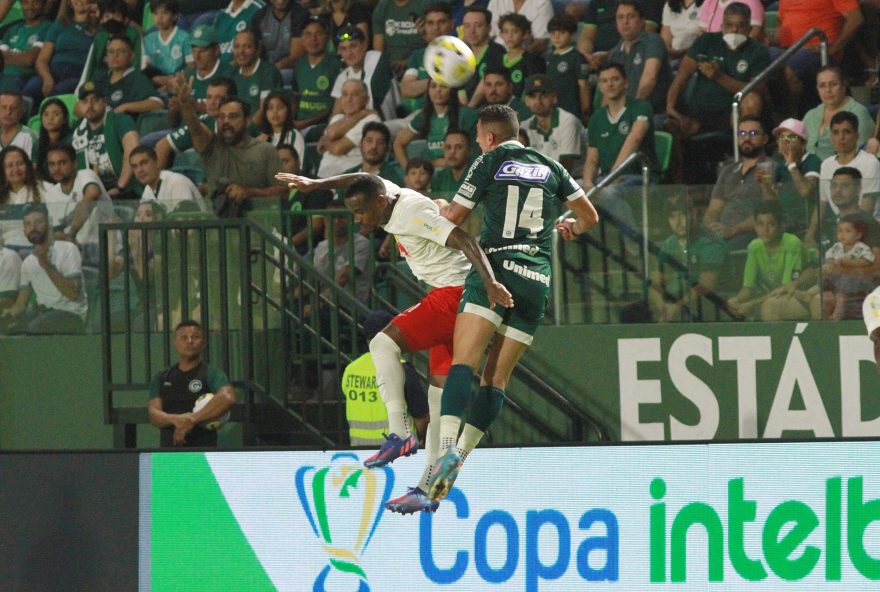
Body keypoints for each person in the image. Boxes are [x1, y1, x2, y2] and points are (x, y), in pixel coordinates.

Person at [274, 169, 513, 514]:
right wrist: (317, 184)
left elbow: (464, 239)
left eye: (361, 212)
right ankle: (428, 490)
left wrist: (490, 283)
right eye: (353, 213)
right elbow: (363, 174)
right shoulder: (387, 193)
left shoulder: (410, 213)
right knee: (436, 405)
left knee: (383, 343)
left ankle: (400, 433)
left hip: (457, 294)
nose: (357, 220)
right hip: (455, 295)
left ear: (381, 203)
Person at [426, 104, 598, 501]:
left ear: (487, 137)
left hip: (496, 269)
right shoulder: (550, 166)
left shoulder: (489, 162)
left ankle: (446, 449)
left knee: (463, 364)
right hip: (536, 279)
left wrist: (437, 209)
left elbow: (454, 216)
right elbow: (589, 216)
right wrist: (572, 227)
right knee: (496, 380)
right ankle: (462, 456)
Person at [177, 80, 286, 214]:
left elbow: (282, 191)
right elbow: (195, 128)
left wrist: (249, 192)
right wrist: (185, 104)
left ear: (247, 121)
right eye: (221, 117)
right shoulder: (211, 147)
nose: (226, 122)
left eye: (233, 116)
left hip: (257, 228)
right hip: (218, 231)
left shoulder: (265, 150)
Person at [664, 2, 768, 141]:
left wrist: (719, 77)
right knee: (667, 126)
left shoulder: (758, 51)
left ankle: (743, 153)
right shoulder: (706, 41)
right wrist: (670, 106)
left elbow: (757, 89)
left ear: (749, 28)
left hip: (730, 113)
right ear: (722, 25)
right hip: (698, 112)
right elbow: (682, 75)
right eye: (729, 25)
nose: (734, 30)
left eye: (740, 26)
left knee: (752, 100)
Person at [583, 63, 657, 234]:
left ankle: (633, 242)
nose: (609, 84)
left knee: (608, 193)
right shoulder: (596, 118)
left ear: (626, 82)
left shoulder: (641, 106)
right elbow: (592, 159)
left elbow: (635, 138)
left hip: (639, 176)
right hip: (606, 178)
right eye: (604, 81)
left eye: (615, 79)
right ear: (599, 86)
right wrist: (587, 184)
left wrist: (612, 176)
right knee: (571, 190)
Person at [340, 309, 429, 447]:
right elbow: (422, 419)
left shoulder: (351, 369)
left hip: (360, 452)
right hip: (398, 453)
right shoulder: (402, 369)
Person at [1, 203, 88, 333]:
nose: (33, 228)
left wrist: (46, 265)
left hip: (71, 315)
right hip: (42, 314)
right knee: (9, 329)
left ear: (48, 224)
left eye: (38, 222)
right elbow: (20, 304)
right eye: (28, 224)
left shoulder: (67, 249)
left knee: (34, 328)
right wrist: (6, 317)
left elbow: (73, 294)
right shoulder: (28, 263)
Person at [148, 319, 237, 447]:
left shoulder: (211, 374)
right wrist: (176, 419)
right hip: (167, 454)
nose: (189, 341)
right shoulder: (161, 377)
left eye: (195, 337)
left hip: (204, 454)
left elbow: (227, 397)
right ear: (175, 342)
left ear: (203, 343)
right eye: (184, 337)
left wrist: (192, 419)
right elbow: (153, 414)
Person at [774, 0, 863, 115]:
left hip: (817, 50)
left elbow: (856, 19)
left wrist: (833, 49)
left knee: (788, 70)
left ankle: (791, 122)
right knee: (759, 62)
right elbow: (780, 21)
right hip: (786, 50)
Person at [726, 201, 808, 321]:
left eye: (771, 224)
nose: (765, 229)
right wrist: (736, 300)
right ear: (754, 226)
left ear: (781, 225)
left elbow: (785, 288)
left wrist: (750, 304)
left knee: (770, 307)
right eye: (760, 224)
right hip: (772, 296)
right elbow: (748, 288)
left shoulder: (792, 243)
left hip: (800, 295)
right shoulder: (754, 247)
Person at [649, 197, 728, 322]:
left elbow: (705, 288)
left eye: (682, 215)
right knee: (630, 314)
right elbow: (655, 281)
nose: (678, 222)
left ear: (693, 213)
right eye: (672, 217)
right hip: (671, 304)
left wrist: (676, 308)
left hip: (701, 305)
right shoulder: (669, 244)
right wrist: (662, 306)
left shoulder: (711, 243)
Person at [703, 116, 774, 249]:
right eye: (742, 134)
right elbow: (714, 209)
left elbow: (769, 212)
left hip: (750, 234)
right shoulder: (728, 170)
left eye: (753, 133)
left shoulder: (768, 167)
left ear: (765, 139)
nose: (747, 138)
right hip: (721, 235)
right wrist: (710, 228)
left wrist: (733, 230)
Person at [811, 111, 880, 245]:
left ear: (857, 136)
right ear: (831, 137)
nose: (841, 137)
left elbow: (867, 209)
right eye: (836, 133)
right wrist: (810, 234)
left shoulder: (870, 162)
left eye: (846, 132)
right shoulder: (826, 165)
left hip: (869, 231)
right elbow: (822, 204)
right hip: (839, 230)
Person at [42, 141, 113, 266]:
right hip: (73, 251)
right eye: (52, 164)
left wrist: (71, 234)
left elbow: (92, 193)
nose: (56, 168)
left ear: (74, 163)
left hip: (104, 247)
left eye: (62, 163)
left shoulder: (85, 174)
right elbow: (54, 230)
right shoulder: (50, 194)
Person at [599, 0, 673, 115]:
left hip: (653, 113)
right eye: (620, 17)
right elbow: (608, 92)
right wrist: (603, 117)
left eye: (631, 16)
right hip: (623, 115)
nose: (625, 22)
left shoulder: (653, 41)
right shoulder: (614, 53)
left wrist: (632, 111)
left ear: (642, 21)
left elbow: (649, 78)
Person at [71, 81, 140, 198]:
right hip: (94, 196)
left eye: (95, 100)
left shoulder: (121, 120)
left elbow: (133, 152)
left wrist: (120, 187)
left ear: (104, 101)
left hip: (126, 192)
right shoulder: (78, 132)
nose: (89, 106)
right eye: (85, 101)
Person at [394, 78, 477, 169]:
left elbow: (477, 149)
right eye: (433, 86)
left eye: (443, 86)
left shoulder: (467, 115)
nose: (438, 90)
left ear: (452, 90)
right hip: (432, 172)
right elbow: (398, 143)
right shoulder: (424, 116)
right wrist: (408, 171)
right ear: (428, 91)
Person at [155, 76, 236, 169]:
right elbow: (162, 145)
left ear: (232, 100)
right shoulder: (204, 121)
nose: (212, 102)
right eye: (209, 97)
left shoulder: (243, 124)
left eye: (219, 98)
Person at [758, 118, 820, 236]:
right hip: (785, 228)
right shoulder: (781, 167)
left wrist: (792, 164)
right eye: (781, 138)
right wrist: (764, 186)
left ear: (803, 143)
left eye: (791, 137)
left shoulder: (813, 161)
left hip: (807, 229)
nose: (785, 142)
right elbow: (772, 203)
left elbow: (805, 191)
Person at [29, 0, 101, 99]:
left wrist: (98, 15)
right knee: (30, 89)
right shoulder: (59, 25)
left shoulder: (99, 27)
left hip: (79, 73)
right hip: (54, 71)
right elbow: (42, 60)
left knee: (59, 91)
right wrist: (47, 78)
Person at [804, 66, 874, 161]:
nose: (828, 90)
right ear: (817, 88)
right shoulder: (810, 115)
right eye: (822, 86)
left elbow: (860, 153)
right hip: (808, 171)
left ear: (844, 85)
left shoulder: (859, 112)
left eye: (833, 84)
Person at [316, 79, 382, 178]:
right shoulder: (338, 118)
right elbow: (330, 134)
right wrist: (361, 114)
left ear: (366, 99)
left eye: (355, 95)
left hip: (347, 179)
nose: (349, 99)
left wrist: (327, 142)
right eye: (345, 94)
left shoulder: (371, 120)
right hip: (322, 178)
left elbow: (337, 148)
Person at [330, 25, 397, 121]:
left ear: (364, 45)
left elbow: (372, 112)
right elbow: (336, 114)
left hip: (382, 125)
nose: (349, 53)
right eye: (343, 49)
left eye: (353, 46)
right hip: (354, 125)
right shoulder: (343, 77)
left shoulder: (376, 59)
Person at [520, 74, 583, 175]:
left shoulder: (568, 121)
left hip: (575, 181)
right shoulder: (524, 126)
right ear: (526, 101)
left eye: (544, 96)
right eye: (533, 96)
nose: (538, 101)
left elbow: (566, 167)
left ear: (554, 98)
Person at [400, 2, 455, 115]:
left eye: (441, 22)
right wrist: (438, 80)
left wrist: (420, 85)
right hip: (413, 116)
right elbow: (406, 89)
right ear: (424, 26)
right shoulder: (418, 55)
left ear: (451, 24)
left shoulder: (459, 54)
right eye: (430, 23)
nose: (436, 28)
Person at [291, 16, 342, 136]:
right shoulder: (299, 64)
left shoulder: (336, 65)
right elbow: (295, 97)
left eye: (318, 34)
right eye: (308, 34)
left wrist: (304, 124)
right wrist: (291, 121)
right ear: (302, 38)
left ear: (328, 37)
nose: (313, 39)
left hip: (324, 126)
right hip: (299, 125)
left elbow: (334, 108)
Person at [277, 144, 332, 254]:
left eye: (286, 161)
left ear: (298, 162)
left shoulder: (314, 186)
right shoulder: (272, 190)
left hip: (307, 249)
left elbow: (316, 226)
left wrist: (287, 244)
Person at [95, 35, 165, 118]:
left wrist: (125, 107)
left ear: (131, 56)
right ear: (106, 57)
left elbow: (157, 103)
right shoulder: (100, 78)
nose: (115, 55)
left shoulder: (136, 78)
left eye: (121, 51)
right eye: (111, 51)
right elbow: (80, 104)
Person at [823, 216, 875, 319]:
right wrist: (830, 265)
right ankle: (810, 293)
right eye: (840, 231)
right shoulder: (836, 247)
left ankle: (837, 315)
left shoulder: (861, 248)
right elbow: (829, 258)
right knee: (823, 278)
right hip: (835, 278)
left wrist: (847, 262)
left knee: (841, 295)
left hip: (853, 281)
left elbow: (867, 261)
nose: (842, 235)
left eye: (847, 231)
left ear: (858, 235)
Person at [130, 146, 207, 212]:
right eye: (134, 166)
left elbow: (185, 223)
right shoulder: (147, 190)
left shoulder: (177, 183)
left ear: (156, 162)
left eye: (144, 163)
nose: (139, 170)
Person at [486, 12, 545, 98]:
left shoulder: (532, 61)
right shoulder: (497, 59)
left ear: (525, 34)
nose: (510, 36)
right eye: (506, 31)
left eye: (515, 31)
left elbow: (535, 88)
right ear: (501, 34)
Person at [545, 13, 590, 123]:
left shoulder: (577, 57)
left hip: (571, 108)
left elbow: (583, 85)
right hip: (552, 109)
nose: (557, 37)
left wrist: (585, 109)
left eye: (562, 33)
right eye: (553, 33)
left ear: (572, 34)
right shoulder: (549, 57)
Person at [0, 146, 43, 254]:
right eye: (9, 166)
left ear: (27, 166)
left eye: (20, 163)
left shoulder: (44, 189)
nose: (16, 169)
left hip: (36, 251)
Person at [231, 30, 284, 119]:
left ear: (257, 49)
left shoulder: (268, 72)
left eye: (247, 47)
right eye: (237, 47)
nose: (241, 51)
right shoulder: (232, 73)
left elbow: (264, 110)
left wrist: (249, 129)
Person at [0, 0, 51, 92]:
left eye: (36, 2)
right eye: (25, 2)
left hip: (22, 78)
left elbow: (29, 60)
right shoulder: (13, 28)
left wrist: (8, 56)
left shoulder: (47, 27)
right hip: (3, 75)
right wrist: (21, 57)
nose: (30, 7)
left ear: (44, 4)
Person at [459, 6, 506, 103]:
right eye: (467, 26)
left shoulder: (497, 51)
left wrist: (469, 110)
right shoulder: (461, 53)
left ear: (489, 28)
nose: (472, 31)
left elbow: (485, 86)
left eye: (478, 26)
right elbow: (459, 87)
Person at [143, 0, 192, 90]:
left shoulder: (184, 37)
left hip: (179, 82)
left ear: (175, 16)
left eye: (164, 13)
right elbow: (146, 67)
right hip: (157, 82)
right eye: (156, 13)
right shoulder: (149, 39)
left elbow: (191, 66)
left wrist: (174, 79)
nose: (159, 17)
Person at [371, 0, 428, 76]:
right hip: (390, 69)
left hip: (420, 63)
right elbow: (378, 50)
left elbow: (434, 40)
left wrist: (408, 62)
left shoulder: (425, 4)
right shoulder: (382, 7)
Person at [250, 0, 310, 70]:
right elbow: (256, 52)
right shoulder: (259, 16)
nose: (280, 1)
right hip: (266, 67)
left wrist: (272, 71)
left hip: (291, 69)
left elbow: (295, 57)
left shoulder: (301, 15)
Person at [341, 121, 404, 187]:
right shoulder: (347, 176)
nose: (374, 146)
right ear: (360, 144)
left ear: (387, 148)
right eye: (369, 140)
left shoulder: (393, 180)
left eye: (380, 142)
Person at [487, 0, 554, 53]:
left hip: (528, 57)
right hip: (496, 54)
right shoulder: (495, 2)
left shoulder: (542, 3)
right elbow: (487, 35)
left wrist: (518, 56)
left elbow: (541, 42)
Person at [34, 97, 73, 181]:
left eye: (56, 114)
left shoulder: (72, 140)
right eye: (46, 114)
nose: (50, 118)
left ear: (65, 118)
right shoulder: (38, 143)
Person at [257, 91, 306, 159]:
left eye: (280, 107)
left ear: (288, 111)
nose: (275, 111)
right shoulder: (262, 138)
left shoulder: (295, 136)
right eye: (270, 108)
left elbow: (299, 167)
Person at [213, 0, 264, 64]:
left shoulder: (258, 9)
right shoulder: (220, 16)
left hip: (243, 70)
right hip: (221, 70)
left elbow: (260, 48)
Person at [430, 129, 473, 200]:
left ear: (469, 151)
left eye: (459, 147)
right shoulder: (438, 177)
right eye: (448, 147)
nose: (452, 152)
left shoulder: (478, 176)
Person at [0, 90, 37, 159]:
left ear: (21, 111)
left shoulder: (29, 137)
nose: (8, 112)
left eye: (13, 108)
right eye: (4, 107)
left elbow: (33, 168)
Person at [698, 0, 763, 36]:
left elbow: (752, 35)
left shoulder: (751, 2)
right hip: (714, 51)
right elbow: (703, 32)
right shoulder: (709, 1)